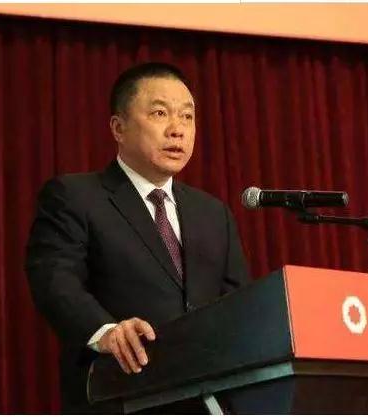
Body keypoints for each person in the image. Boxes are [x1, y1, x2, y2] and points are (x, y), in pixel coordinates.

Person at [25, 62, 250, 413]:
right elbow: (54, 279)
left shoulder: (213, 213)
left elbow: (236, 304)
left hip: (206, 402)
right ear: (119, 128)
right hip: (120, 393)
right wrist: (106, 331)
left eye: (187, 117)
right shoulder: (76, 196)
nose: (177, 130)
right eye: (160, 113)